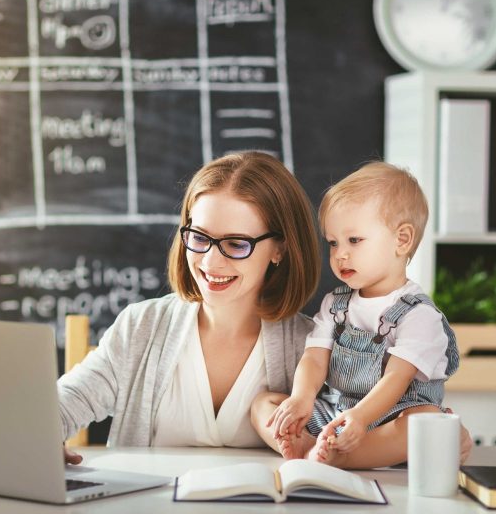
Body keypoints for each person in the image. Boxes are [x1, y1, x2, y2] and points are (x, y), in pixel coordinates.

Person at [59, 151, 321, 463]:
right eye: (199, 237)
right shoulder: (142, 325)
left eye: (236, 244)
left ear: (280, 248)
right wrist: (42, 435)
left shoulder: (313, 348)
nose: (210, 261)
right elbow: (68, 401)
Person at [251, 161, 465, 469]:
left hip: (389, 420)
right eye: (333, 243)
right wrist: (301, 398)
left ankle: (337, 457)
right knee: (263, 404)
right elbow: (314, 358)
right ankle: (313, 445)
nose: (340, 254)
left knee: (426, 420)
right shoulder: (335, 304)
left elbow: (396, 379)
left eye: (354, 240)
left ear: (401, 240)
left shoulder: (419, 316)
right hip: (337, 413)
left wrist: (361, 419)